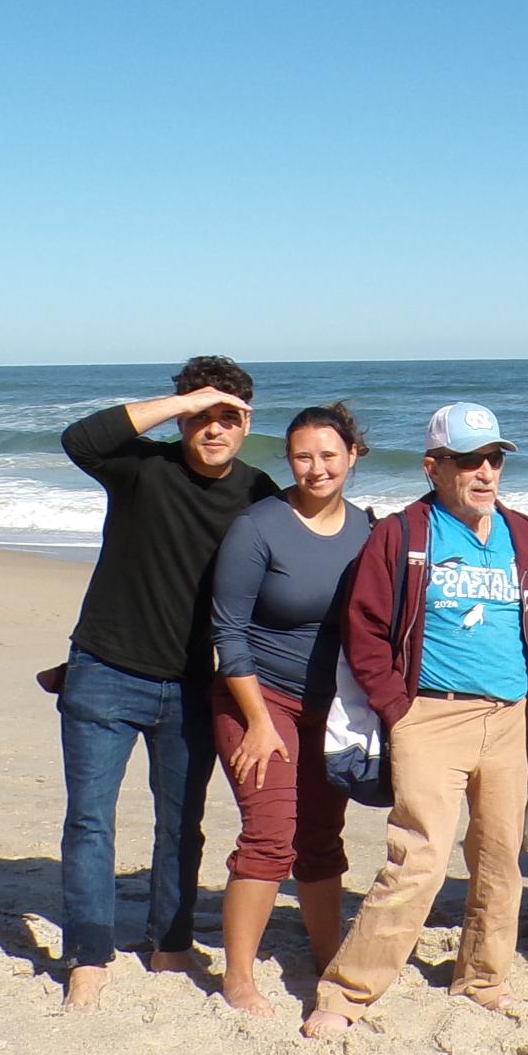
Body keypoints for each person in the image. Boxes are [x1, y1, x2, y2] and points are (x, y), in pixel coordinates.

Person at [302, 404, 528, 1034]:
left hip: (511, 721)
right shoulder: (401, 536)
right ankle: (346, 995)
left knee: (500, 858)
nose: (485, 472)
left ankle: (482, 979)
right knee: (417, 857)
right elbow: (364, 630)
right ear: (435, 467)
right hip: (430, 716)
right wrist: (398, 708)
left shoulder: (524, 539)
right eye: (469, 460)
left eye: (494, 459)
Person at [53, 357, 281, 1010]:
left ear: (246, 424)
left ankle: (172, 943)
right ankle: (89, 956)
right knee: (90, 821)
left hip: (193, 686)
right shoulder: (140, 469)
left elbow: (303, 555)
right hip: (105, 670)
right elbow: (81, 438)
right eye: (199, 414)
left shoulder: (259, 495)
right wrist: (186, 401)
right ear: (181, 415)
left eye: (227, 416)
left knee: (182, 824)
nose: (213, 428)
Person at [206, 403, 374, 1016]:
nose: (316, 467)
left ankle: (328, 956)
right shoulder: (258, 527)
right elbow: (227, 631)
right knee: (270, 837)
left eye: (328, 455)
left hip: (332, 709)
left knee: (322, 839)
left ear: (352, 456)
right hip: (257, 698)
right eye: (303, 455)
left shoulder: (368, 528)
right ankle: (239, 978)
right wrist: (255, 720)